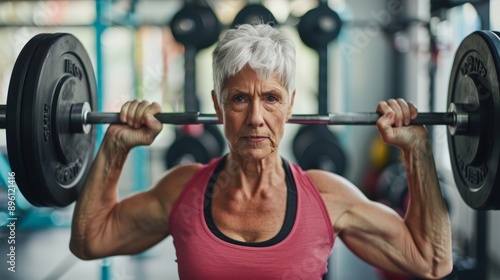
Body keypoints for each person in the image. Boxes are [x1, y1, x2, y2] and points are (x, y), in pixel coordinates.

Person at [70, 24, 452, 279]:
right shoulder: (182, 192)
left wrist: (417, 152)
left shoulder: (326, 196)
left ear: (289, 106)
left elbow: (432, 260)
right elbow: (91, 239)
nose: (256, 118)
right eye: (239, 99)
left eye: (271, 98)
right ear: (217, 107)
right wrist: (115, 148)